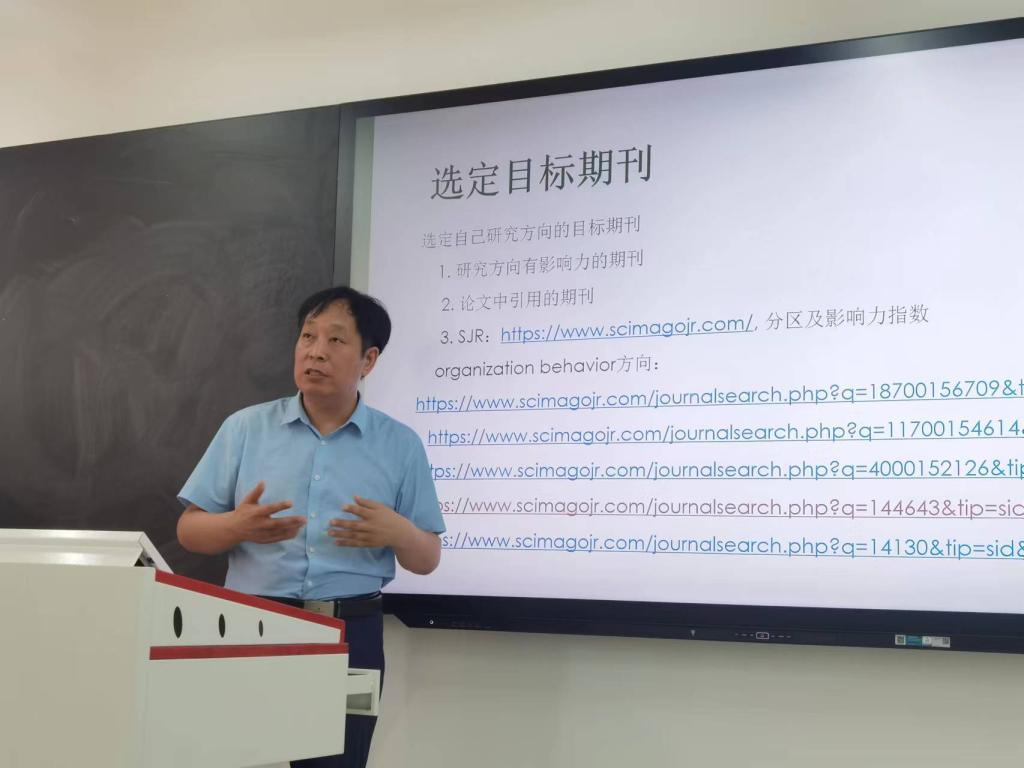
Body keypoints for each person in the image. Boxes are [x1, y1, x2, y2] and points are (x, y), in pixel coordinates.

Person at [176, 285, 445, 768]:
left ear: (368, 360)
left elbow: (426, 559)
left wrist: (399, 533)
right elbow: (188, 531)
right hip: (251, 625)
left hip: (350, 633)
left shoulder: (400, 445)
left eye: (335, 340)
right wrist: (237, 526)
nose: (316, 352)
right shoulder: (245, 428)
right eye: (307, 336)